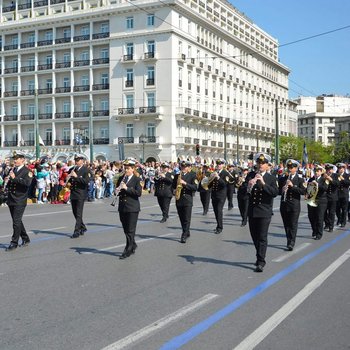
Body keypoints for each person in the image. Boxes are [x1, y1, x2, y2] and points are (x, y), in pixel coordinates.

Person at [246, 153, 278, 272]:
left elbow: (275, 193)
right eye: (259, 162)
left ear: (267, 165)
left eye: (263, 163)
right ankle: (259, 255)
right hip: (253, 210)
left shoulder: (271, 178)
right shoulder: (250, 175)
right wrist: (249, 185)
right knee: (254, 236)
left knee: (262, 236)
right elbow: (243, 191)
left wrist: (263, 184)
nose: (260, 165)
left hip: (264, 211)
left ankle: (261, 261)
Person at [5, 151, 33, 251]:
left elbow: (27, 184)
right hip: (11, 198)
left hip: (20, 199)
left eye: (17, 158)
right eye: (14, 158)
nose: (15, 160)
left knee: (16, 221)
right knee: (17, 221)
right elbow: (11, 184)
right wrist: (7, 181)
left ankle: (14, 242)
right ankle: (25, 238)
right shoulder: (13, 170)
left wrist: (14, 178)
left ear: (23, 160)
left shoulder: (27, 171)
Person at [115, 158, 142, 259]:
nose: (126, 170)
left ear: (133, 169)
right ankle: (133, 244)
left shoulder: (137, 179)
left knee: (130, 230)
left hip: (132, 207)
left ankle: (128, 249)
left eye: (128, 168)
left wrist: (127, 188)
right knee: (125, 229)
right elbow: (117, 190)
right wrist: (117, 190)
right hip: (122, 207)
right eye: (125, 168)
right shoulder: (122, 178)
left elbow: (138, 193)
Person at [279, 159, 306, 251]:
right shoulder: (283, 178)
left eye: (292, 167)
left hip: (294, 205)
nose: (290, 169)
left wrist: (292, 186)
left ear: (296, 168)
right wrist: (282, 189)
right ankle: (288, 240)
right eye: (288, 167)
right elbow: (277, 191)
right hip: (284, 204)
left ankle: (291, 242)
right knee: (286, 224)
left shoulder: (300, 179)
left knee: (293, 224)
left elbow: (303, 191)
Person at [173, 160, 198, 243]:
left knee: (187, 218)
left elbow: (195, 187)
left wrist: (185, 183)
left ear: (189, 167)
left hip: (187, 199)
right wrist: (173, 190)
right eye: (182, 166)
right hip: (179, 199)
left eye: (185, 166)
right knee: (181, 218)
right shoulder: (177, 175)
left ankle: (184, 234)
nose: (183, 168)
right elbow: (173, 186)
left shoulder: (193, 175)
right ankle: (186, 231)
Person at [68, 154, 90, 238]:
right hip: (73, 193)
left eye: (78, 160)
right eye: (75, 160)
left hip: (81, 193)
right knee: (74, 212)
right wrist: (67, 179)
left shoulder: (86, 170)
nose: (76, 162)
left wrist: (76, 177)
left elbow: (86, 181)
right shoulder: (72, 169)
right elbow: (70, 180)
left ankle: (76, 231)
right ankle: (83, 227)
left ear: (82, 161)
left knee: (79, 213)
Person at [306, 165, 329, 240]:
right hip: (312, 200)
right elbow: (308, 189)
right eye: (315, 171)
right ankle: (314, 230)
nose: (316, 172)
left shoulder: (324, 179)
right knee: (311, 216)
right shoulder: (311, 179)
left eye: (318, 171)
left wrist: (317, 184)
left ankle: (319, 234)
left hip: (321, 200)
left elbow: (325, 188)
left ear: (321, 172)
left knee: (319, 217)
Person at [208, 159, 230, 234]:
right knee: (215, 211)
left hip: (221, 195)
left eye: (220, 164)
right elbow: (210, 184)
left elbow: (225, 184)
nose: (218, 165)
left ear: (223, 165)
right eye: (217, 164)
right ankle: (218, 225)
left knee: (219, 210)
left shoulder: (226, 173)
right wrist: (209, 180)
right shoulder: (214, 172)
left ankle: (220, 227)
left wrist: (218, 177)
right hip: (214, 194)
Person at [323, 164, 339, 232]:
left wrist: (331, 179)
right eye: (327, 170)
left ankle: (331, 226)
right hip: (325, 197)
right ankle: (327, 223)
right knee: (324, 212)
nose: (329, 171)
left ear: (332, 170)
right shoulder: (323, 176)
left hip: (333, 197)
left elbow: (337, 184)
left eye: (330, 170)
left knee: (331, 213)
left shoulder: (336, 175)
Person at [336, 163, 350, 227]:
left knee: (344, 209)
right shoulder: (336, 175)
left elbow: (348, 183)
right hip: (337, 194)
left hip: (344, 194)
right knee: (337, 209)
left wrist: (343, 179)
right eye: (339, 168)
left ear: (343, 168)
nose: (340, 169)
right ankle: (339, 218)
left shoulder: (347, 175)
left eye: (341, 168)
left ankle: (343, 222)